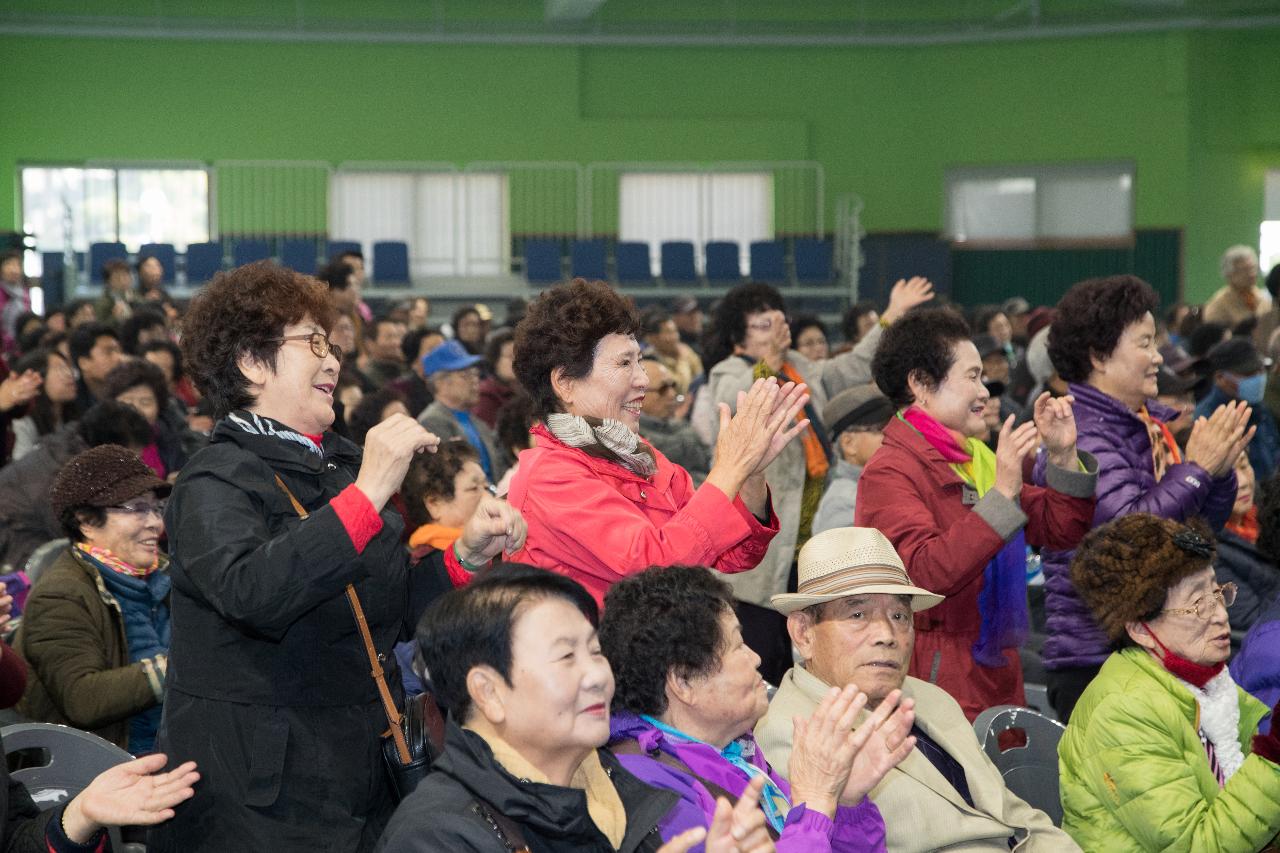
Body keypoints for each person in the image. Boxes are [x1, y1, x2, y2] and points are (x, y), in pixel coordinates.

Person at [150, 261, 526, 852]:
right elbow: (253, 592)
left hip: (361, 765)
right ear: (252, 362)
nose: (333, 359)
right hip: (257, 793)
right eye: (313, 343)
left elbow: (390, 609)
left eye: (332, 343)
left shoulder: (340, 466)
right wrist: (369, 494)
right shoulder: (212, 479)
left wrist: (467, 558)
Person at [374, 563, 773, 853]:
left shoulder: (624, 794)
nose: (597, 675)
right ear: (489, 692)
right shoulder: (436, 837)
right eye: (566, 656)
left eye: (595, 651)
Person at [755, 527, 1077, 852]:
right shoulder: (790, 733)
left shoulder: (930, 697)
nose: (886, 633)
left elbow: (1014, 815)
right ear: (803, 633)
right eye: (857, 614)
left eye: (899, 615)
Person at [857, 307, 1098, 718]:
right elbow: (925, 574)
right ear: (921, 385)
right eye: (971, 377)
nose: (984, 391)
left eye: (982, 377)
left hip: (996, 664)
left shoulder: (974, 457)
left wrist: (1062, 456)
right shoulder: (889, 472)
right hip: (933, 675)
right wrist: (1002, 496)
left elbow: (1061, 528)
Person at [507, 278, 803, 609]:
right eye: (624, 363)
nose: (644, 380)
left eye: (639, 360)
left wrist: (750, 474)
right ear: (565, 383)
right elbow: (654, 570)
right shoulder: (551, 476)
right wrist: (729, 468)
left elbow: (732, 556)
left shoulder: (637, 454)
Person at [702, 277, 935, 684]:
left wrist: (891, 314)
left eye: (780, 321)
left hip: (807, 546)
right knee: (760, 660)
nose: (777, 331)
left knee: (808, 661)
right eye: (762, 325)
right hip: (762, 553)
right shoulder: (730, 371)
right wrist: (768, 365)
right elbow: (734, 408)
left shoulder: (800, 367)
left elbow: (851, 367)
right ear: (738, 338)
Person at [1043, 274, 1248, 721]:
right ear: (1098, 356)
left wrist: (1219, 470)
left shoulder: (1145, 426)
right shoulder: (1079, 435)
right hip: (1096, 660)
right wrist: (1196, 470)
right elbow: (1131, 536)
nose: (1158, 357)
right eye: (1145, 343)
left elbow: (1191, 539)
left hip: (1147, 647)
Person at [601, 564, 912, 850]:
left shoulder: (738, 752)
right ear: (684, 681)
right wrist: (816, 803)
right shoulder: (648, 789)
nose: (756, 658)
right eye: (738, 646)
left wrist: (845, 803)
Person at [1058, 514, 1280, 851]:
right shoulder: (1124, 712)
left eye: (1218, 593)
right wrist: (1274, 756)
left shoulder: (1209, 685)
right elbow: (1196, 845)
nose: (1220, 614)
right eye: (1197, 605)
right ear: (1138, 628)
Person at [14, 445, 172, 753]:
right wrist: (180, 667)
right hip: (105, 766)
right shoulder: (61, 595)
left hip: (175, 747)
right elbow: (83, 699)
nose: (155, 523)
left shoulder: (166, 574)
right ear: (87, 521)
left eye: (156, 509)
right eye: (138, 508)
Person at [0, 401, 151, 573]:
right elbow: (73, 532)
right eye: (132, 455)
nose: (135, 462)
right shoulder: (66, 474)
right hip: (16, 547)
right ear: (113, 446)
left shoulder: (76, 443)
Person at [417, 340, 506, 482]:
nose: (475, 380)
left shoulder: (478, 423)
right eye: (466, 375)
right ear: (441, 383)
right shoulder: (432, 421)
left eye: (475, 373)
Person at [811, 387, 893, 536]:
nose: (893, 437)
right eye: (881, 430)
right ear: (848, 443)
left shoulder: (877, 486)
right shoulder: (843, 502)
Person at [1195, 337, 1280, 480]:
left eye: (1260, 370)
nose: (1259, 377)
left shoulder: (1259, 408)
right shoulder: (1208, 419)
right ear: (1220, 378)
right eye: (1248, 374)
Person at [1214, 454, 1280, 630]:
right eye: (1227, 475)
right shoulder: (1211, 552)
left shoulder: (1266, 506)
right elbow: (1254, 621)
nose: (1242, 482)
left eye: (1243, 466)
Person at [103, 359, 190, 478]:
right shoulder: (100, 442)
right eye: (127, 401)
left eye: (145, 402)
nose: (136, 409)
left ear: (159, 407)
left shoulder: (169, 437)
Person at [640, 357, 710, 486]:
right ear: (638, 395)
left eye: (673, 386)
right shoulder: (636, 439)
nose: (672, 394)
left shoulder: (681, 425)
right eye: (663, 389)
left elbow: (710, 459)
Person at [9, 348, 78, 461]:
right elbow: (22, 470)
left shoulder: (67, 415)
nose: (70, 374)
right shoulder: (22, 423)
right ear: (37, 378)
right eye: (60, 368)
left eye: (68, 367)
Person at [1204, 244, 1270, 330]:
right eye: (1245, 270)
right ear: (1229, 274)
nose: (1252, 274)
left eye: (1253, 268)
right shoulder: (1218, 305)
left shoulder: (1262, 297)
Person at [642, 308, 704, 397]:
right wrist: (682, 360)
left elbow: (701, 378)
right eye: (668, 332)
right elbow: (680, 389)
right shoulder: (650, 359)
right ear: (653, 338)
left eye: (675, 331)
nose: (675, 337)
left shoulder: (686, 350)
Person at [69, 322, 124, 411]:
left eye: (118, 351)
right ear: (84, 363)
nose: (119, 358)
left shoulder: (129, 393)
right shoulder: (70, 402)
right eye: (108, 352)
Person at [473, 328, 517, 429]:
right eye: (510, 356)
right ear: (495, 360)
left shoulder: (526, 390)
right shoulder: (486, 396)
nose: (517, 361)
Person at [363, 316, 408, 388]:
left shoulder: (403, 367)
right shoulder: (368, 378)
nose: (396, 342)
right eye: (389, 337)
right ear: (370, 344)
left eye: (396, 336)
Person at [94, 259, 136, 323]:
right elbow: (99, 328)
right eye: (117, 278)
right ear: (108, 282)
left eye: (125, 276)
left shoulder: (136, 296)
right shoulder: (102, 303)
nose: (122, 281)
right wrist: (114, 318)